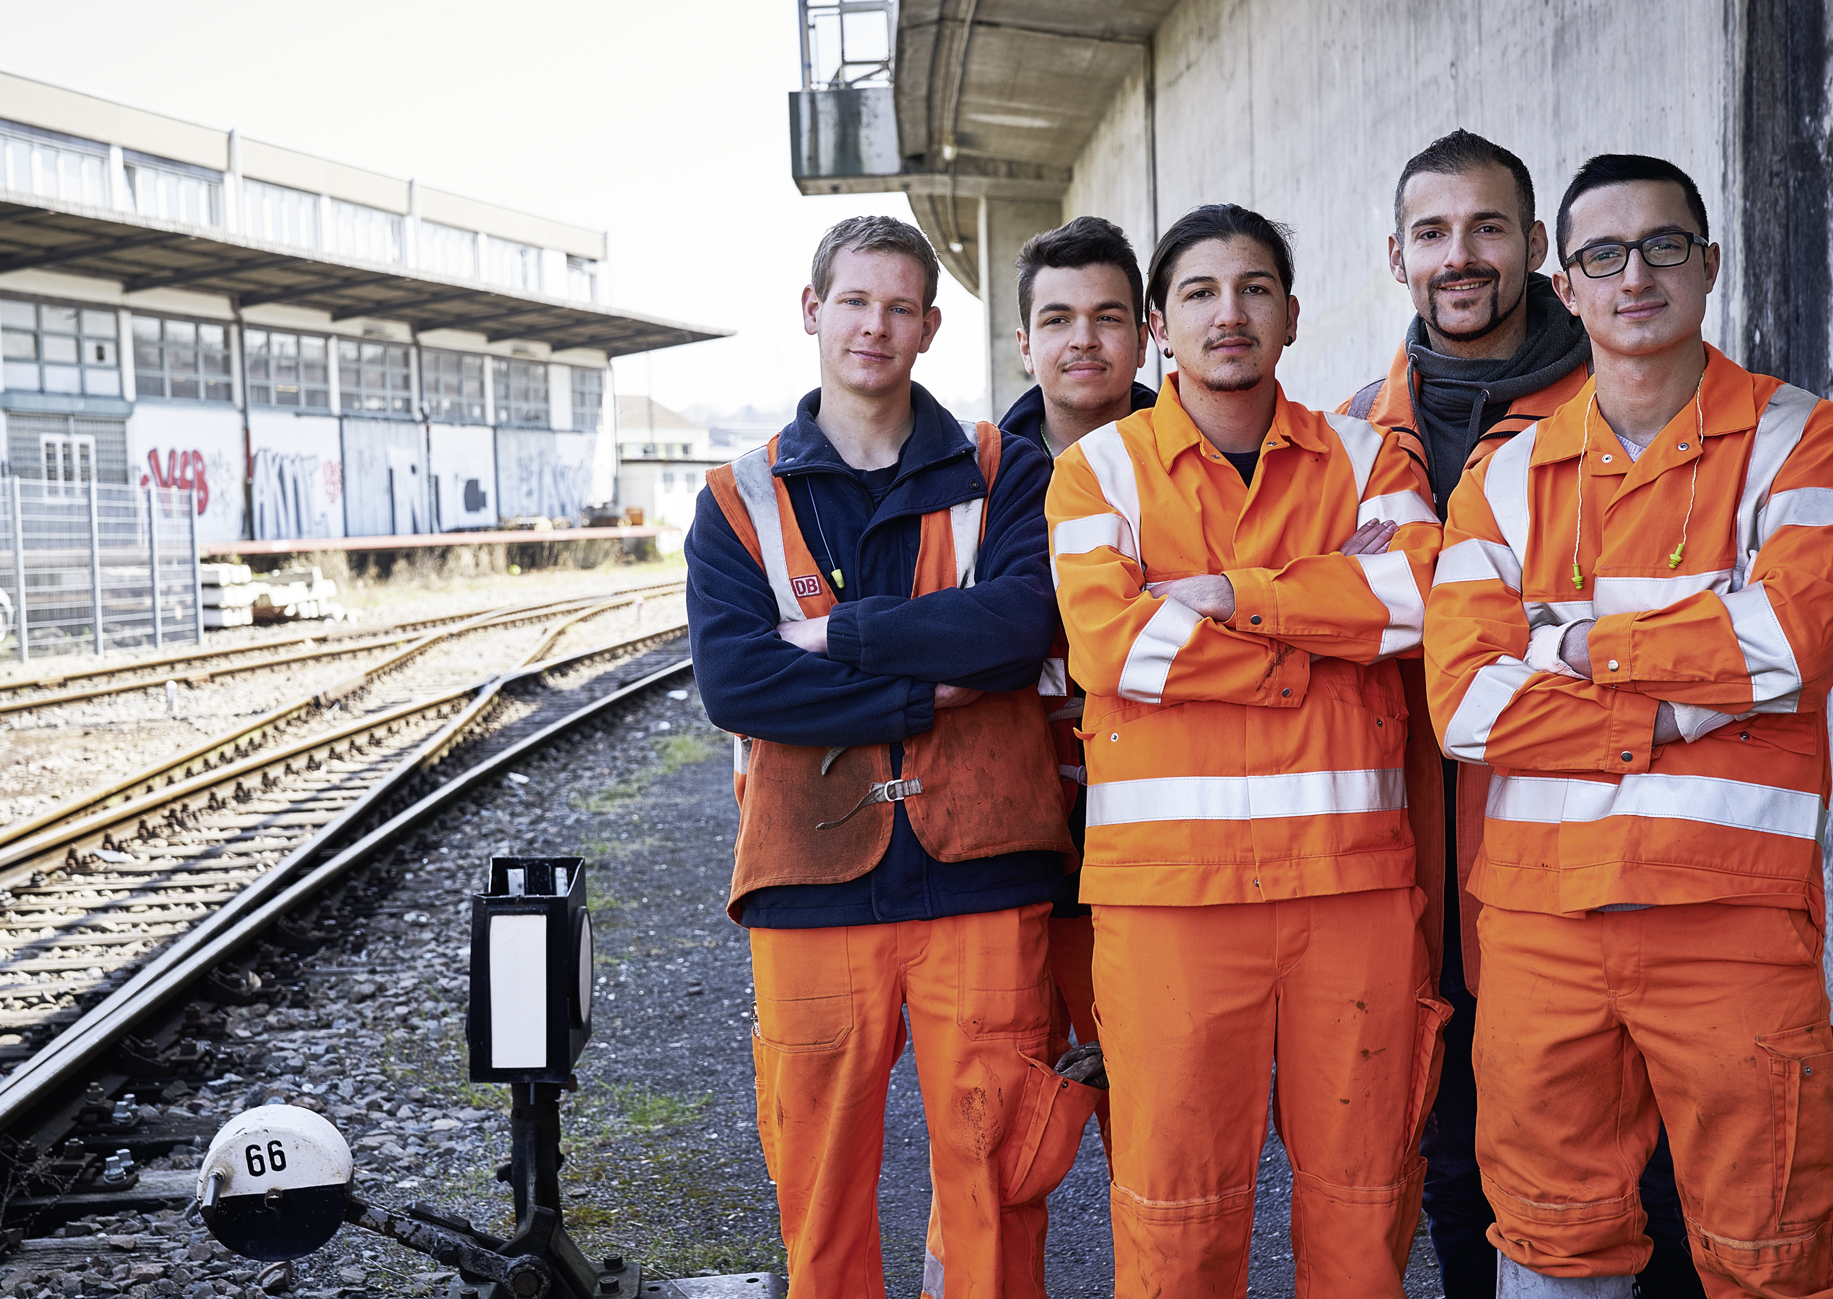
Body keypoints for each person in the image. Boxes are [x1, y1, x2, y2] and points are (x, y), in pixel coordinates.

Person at [1425, 153, 1833, 1297]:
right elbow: (1462, 700)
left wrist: (1566, 641)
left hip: (1733, 917)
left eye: (1663, 247)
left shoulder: (1800, 439)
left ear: (1709, 263)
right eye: (1602, 255)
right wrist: (1685, 690)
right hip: (1541, 925)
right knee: (1553, 1249)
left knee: (1773, 1252)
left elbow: (1791, 646)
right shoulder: (1507, 471)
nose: (1634, 275)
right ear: (1567, 287)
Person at [1047, 202, 1445, 1296]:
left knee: (1363, 1207)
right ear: (1160, 331)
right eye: (1201, 294)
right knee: (1177, 1216)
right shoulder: (1098, 473)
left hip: (1352, 892)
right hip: (1172, 903)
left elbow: (1415, 597)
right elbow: (1111, 644)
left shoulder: (1372, 452)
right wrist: (1320, 635)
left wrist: (1232, 598)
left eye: (1255, 289)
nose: (1232, 313)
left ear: (1293, 315)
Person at [686, 214, 1072, 1298]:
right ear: (814, 312)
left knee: (995, 1189)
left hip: (986, 869)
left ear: (931, 327)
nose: (876, 325)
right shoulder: (737, 501)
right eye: (856, 302)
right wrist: (928, 686)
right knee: (818, 1194)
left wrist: (841, 640)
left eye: (901, 306)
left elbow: (1019, 628)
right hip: (809, 881)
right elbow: (741, 686)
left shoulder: (1005, 468)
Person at [1345, 129, 1701, 1298]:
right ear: (1397, 255)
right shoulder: (1351, 434)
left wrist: (1550, 661)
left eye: (1488, 228)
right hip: (1415, 859)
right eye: (1435, 234)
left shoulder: (1637, 402)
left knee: (1643, 1178)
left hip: (1598, 855)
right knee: (1453, 1155)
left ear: (1540, 250)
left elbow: (1695, 648)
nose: (1463, 257)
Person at [920, 214, 1154, 1299]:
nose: (1083, 342)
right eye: (1057, 318)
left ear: (1145, 331)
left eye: (1109, 316)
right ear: (1023, 340)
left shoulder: (1199, 458)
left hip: (1156, 858)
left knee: (1156, 1146)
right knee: (993, 1129)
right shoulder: (969, 480)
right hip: (1007, 849)